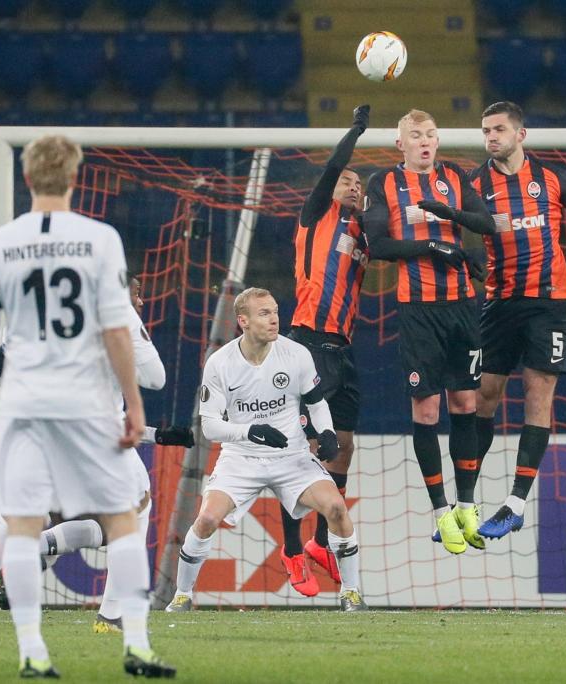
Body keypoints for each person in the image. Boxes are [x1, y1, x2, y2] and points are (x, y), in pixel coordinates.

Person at [0, 134, 175, 677]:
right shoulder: (100, 239)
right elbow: (117, 332)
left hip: (28, 404)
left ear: (27, 179)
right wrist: (134, 407)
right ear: (76, 180)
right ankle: (138, 648)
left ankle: (33, 654)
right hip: (85, 405)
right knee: (126, 522)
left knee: (25, 526)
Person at [0, 279, 194, 636]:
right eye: (135, 292)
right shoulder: (118, 318)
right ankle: (109, 616)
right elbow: (156, 379)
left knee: (15, 521)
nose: (141, 300)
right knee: (135, 511)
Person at [165, 287, 367, 612]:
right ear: (243, 321)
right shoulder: (220, 363)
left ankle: (352, 593)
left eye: (274, 311)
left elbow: (316, 403)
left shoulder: (296, 354)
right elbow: (211, 427)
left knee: (337, 509)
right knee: (206, 519)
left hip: (292, 457)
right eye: (264, 314)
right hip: (241, 458)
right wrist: (251, 431)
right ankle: (182, 596)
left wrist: (327, 432)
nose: (274, 319)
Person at [467, 101, 566, 539]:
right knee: (483, 397)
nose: (492, 137)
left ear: (521, 134)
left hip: (550, 303)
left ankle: (515, 502)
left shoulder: (554, 179)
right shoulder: (474, 183)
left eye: (500, 129)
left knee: (538, 395)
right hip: (499, 302)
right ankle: (465, 502)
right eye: (486, 130)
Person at [363, 109, 495, 555]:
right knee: (426, 410)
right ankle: (440, 511)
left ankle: (467, 504)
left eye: (431, 135)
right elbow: (377, 245)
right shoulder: (383, 183)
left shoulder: (456, 176)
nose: (424, 141)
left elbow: (487, 223)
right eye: (415, 136)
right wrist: (430, 245)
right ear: (400, 144)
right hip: (418, 310)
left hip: (462, 306)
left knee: (466, 402)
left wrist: (449, 214)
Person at [278, 105, 370, 597]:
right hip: (307, 342)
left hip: (344, 350)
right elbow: (334, 167)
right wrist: (355, 132)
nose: (352, 186)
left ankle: (318, 543)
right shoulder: (316, 216)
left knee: (344, 444)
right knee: (303, 451)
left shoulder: (362, 234)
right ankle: (293, 549)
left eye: (359, 184)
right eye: (346, 181)